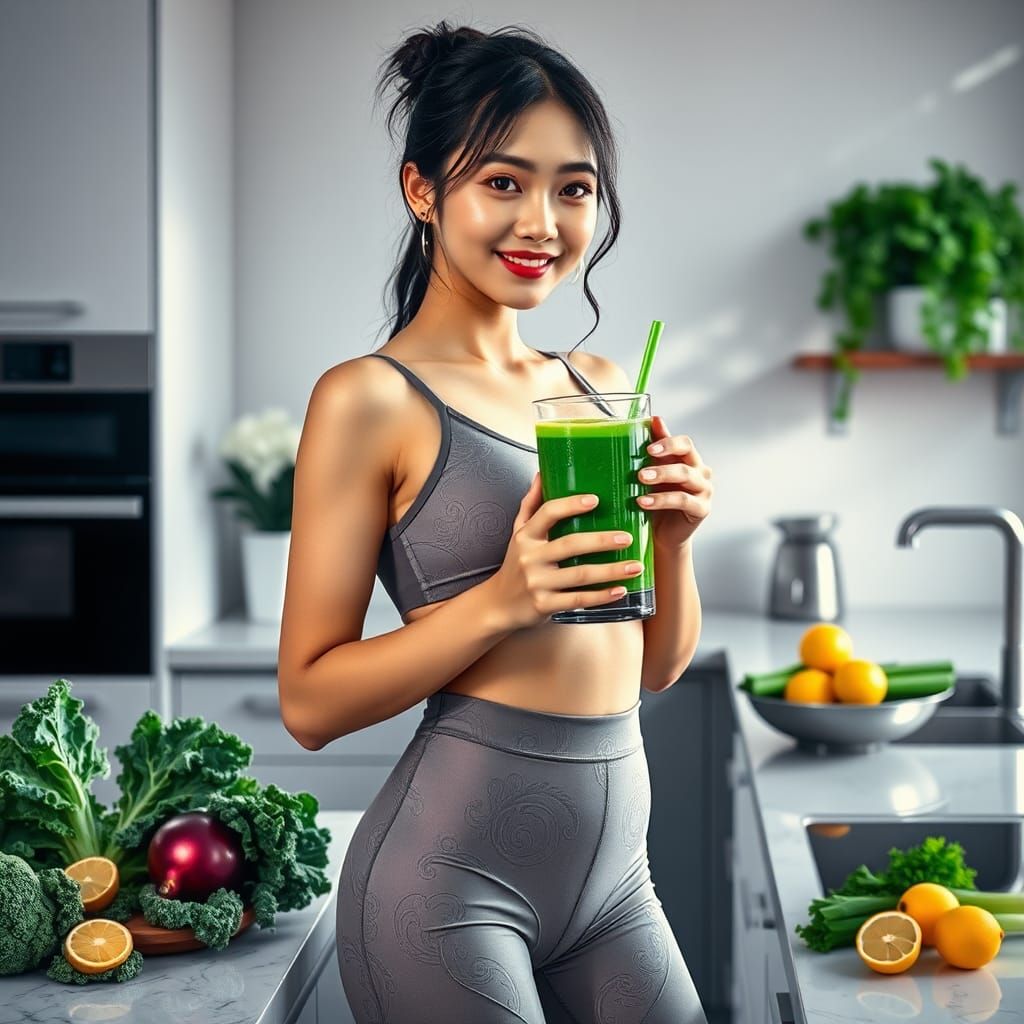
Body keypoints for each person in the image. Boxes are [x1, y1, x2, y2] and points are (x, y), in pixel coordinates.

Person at [277, 20, 714, 1024]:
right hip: (445, 889)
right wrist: (504, 598)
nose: (543, 222)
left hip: (615, 888)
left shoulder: (598, 387)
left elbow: (650, 667)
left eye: (573, 188)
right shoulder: (368, 399)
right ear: (422, 190)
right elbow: (308, 700)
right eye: (503, 183)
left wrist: (676, 544)